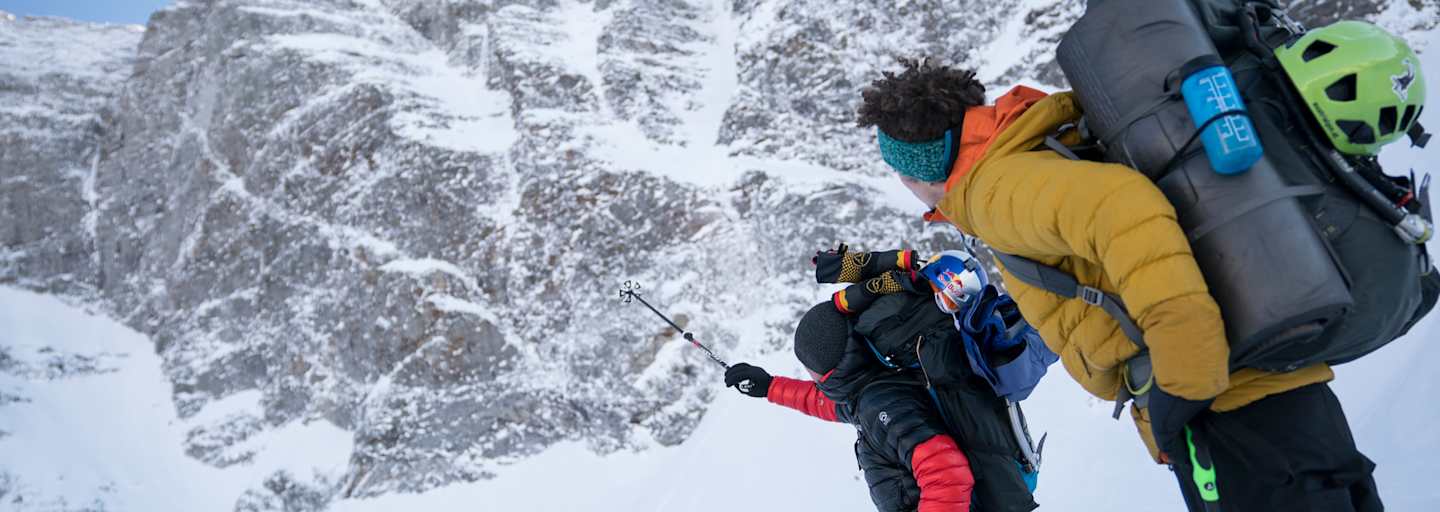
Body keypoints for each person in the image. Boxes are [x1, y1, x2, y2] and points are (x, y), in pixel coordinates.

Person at [856, 57, 1385, 510]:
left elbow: (1123, 210)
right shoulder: (1023, 158)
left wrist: (1183, 385)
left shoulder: (996, 190)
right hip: (1262, 392)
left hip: (1230, 408)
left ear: (916, 169)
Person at [724, 301, 976, 512]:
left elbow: (948, 475)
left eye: (811, 370)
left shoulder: (882, 406)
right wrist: (770, 386)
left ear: (828, 372)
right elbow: (823, 403)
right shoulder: (870, 388)